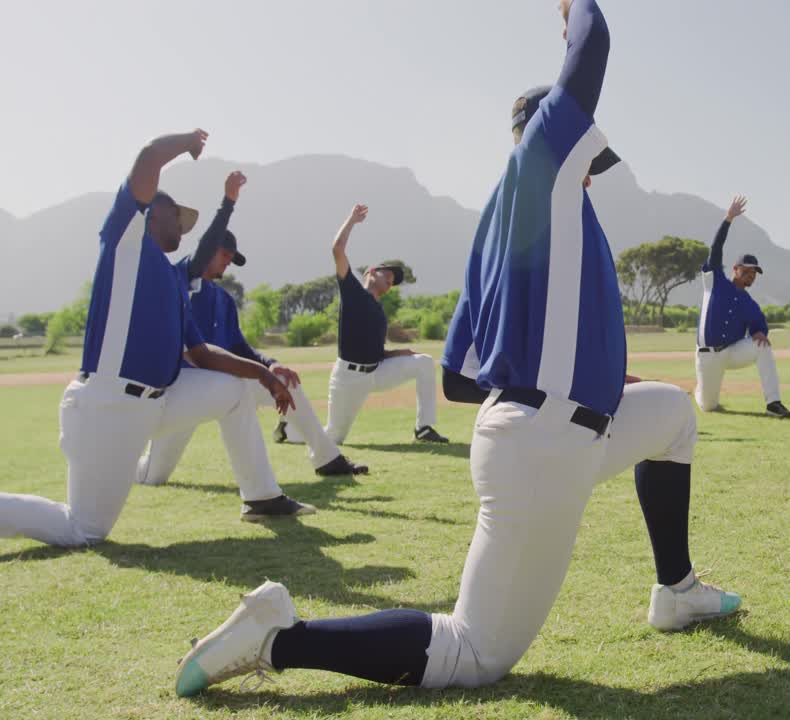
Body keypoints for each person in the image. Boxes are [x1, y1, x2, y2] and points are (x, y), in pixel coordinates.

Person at [175, 0, 739, 697]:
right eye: (586, 151)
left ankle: (677, 589)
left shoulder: (500, 229)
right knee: (474, 655)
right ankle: (279, 637)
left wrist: (568, 381)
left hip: (551, 430)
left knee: (674, 417)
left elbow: (457, 380)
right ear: (546, 134)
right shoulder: (542, 169)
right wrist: (573, 12)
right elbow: (594, 46)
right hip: (544, 446)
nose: (593, 165)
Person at [0, 130, 314, 547]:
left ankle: (261, 498)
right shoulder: (125, 244)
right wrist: (187, 143)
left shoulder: (172, 281)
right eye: (177, 218)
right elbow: (148, 158)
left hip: (159, 401)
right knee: (84, 531)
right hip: (108, 409)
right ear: (150, 215)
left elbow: (202, 354)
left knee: (236, 390)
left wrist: (265, 374)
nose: (182, 228)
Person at [136, 172, 369, 486]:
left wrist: (271, 365)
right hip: (184, 388)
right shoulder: (177, 278)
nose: (228, 263)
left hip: (222, 384)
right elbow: (203, 249)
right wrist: (228, 202)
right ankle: (124, 466)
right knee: (154, 476)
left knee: (287, 381)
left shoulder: (224, 300)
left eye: (233, 259)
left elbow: (241, 349)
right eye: (225, 255)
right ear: (209, 250)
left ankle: (327, 459)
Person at [276, 205, 447, 446]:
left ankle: (424, 427)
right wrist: (352, 220)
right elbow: (337, 249)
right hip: (348, 378)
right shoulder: (353, 292)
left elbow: (375, 353)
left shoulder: (379, 311)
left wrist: (400, 353)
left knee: (423, 362)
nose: (391, 281)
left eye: (394, 282)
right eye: (388, 274)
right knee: (334, 437)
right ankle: (287, 430)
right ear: (371, 272)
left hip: (376, 373)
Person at [693, 195, 790, 418]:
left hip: (731, 353)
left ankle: (773, 404)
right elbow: (716, 248)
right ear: (736, 269)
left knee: (763, 346)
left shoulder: (750, 304)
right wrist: (728, 219)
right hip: (707, 357)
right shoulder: (714, 280)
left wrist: (759, 333)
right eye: (747, 271)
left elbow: (760, 328)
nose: (751, 275)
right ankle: (700, 391)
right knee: (709, 406)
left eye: (754, 273)